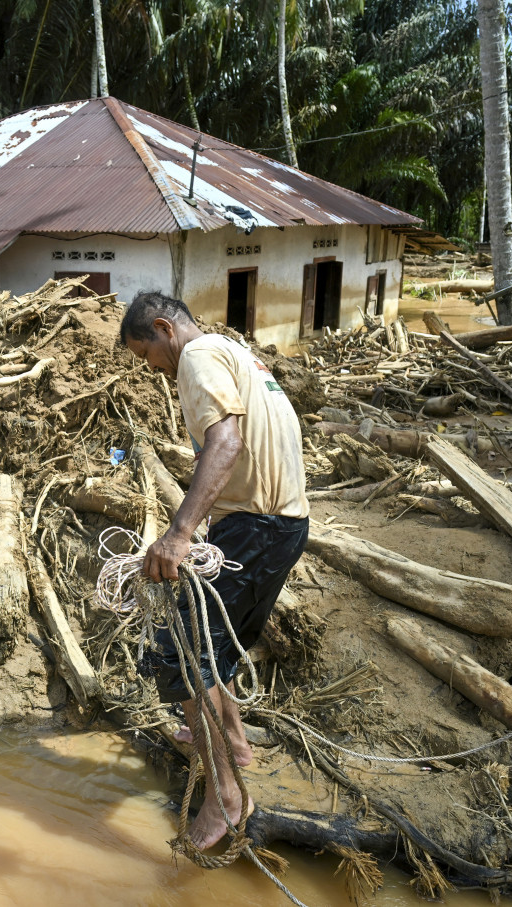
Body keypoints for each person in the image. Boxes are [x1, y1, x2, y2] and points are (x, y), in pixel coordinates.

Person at [119, 289, 310, 851]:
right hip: (282, 526)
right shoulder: (234, 351)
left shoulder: (198, 357)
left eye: (145, 355)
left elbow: (224, 441)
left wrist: (180, 534)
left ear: (164, 329)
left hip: (257, 527)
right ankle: (233, 739)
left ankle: (226, 795)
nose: (150, 368)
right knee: (212, 646)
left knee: (184, 656)